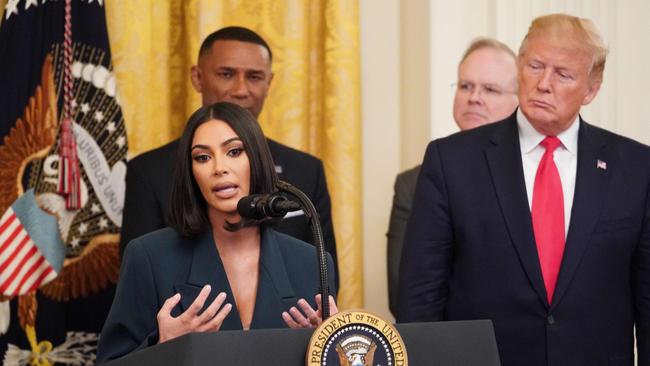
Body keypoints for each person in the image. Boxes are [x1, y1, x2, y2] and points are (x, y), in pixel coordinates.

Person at [398, 14, 650, 365]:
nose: (544, 83)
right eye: (534, 66)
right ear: (519, 67)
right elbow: (419, 300)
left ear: (591, 89)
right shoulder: (452, 161)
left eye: (562, 74)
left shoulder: (636, 168)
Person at [97, 102, 338, 363]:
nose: (218, 168)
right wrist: (162, 345)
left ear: (256, 161)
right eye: (203, 157)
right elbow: (110, 362)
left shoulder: (312, 263)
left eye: (234, 152)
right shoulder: (149, 257)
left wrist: (330, 347)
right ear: (192, 173)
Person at [120, 26, 338, 280]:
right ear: (198, 78)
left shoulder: (306, 170)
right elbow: (137, 279)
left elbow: (324, 279)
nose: (241, 90)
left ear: (269, 82)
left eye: (255, 77)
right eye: (226, 74)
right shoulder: (148, 171)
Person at [386, 38, 518, 316]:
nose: (474, 97)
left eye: (490, 89)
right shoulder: (412, 183)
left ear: (519, 100)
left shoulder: (536, 174)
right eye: (465, 86)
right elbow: (405, 293)